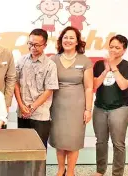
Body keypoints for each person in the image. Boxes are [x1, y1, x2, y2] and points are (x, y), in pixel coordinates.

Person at [48, 26, 93, 176]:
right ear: (61, 40)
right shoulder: (52, 60)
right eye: (65, 37)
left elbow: (88, 87)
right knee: (59, 139)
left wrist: (88, 109)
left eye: (71, 37)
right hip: (57, 106)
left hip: (77, 107)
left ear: (77, 41)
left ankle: (71, 171)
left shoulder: (84, 60)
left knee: (73, 141)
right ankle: (61, 169)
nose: (68, 40)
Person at [93, 35, 128, 176]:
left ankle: (117, 173)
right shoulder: (99, 64)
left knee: (118, 143)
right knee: (100, 141)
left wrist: (114, 67)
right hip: (100, 107)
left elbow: (123, 86)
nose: (113, 50)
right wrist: (105, 70)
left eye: (118, 47)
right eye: (111, 47)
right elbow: (94, 85)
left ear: (124, 50)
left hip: (120, 107)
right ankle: (100, 170)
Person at [15, 29, 58, 150]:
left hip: (40, 115)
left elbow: (49, 90)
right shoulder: (21, 61)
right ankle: (24, 170)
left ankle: (39, 170)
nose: (33, 47)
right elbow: (15, 83)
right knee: (23, 148)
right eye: (30, 43)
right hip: (22, 113)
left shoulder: (50, 65)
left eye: (37, 45)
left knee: (39, 150)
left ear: (45, 45)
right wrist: (21, 105)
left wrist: (31, 108)